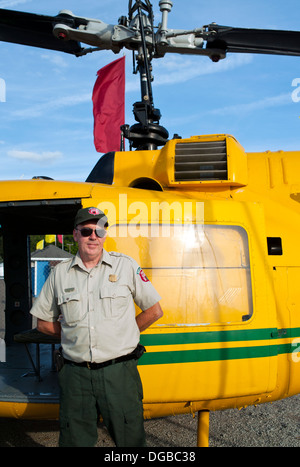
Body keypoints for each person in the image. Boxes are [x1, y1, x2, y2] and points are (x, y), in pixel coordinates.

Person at [30, 206, 163, 447]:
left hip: (119, 374)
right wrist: (72, 333)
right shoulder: (59, 274)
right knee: (75, 442)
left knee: (130, 442)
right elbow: (42, 323)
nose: (94, 236)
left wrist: (125, 333)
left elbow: (154, 311)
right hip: (75, 376)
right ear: (75, 234)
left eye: (99, 230)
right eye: (87, 230)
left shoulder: (125, 266)